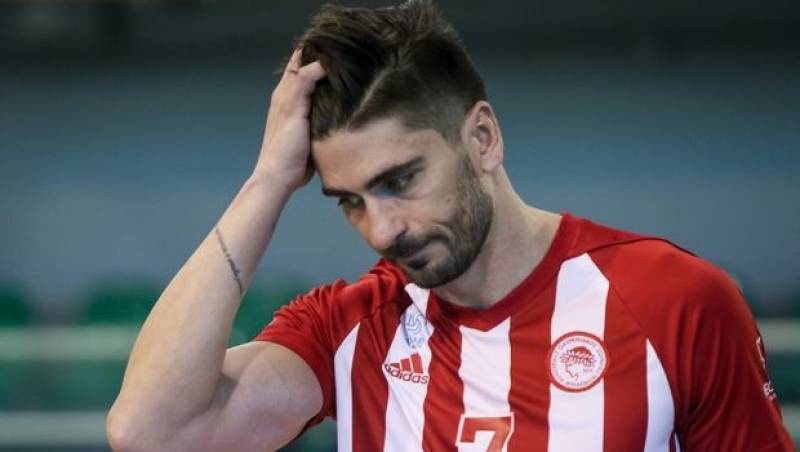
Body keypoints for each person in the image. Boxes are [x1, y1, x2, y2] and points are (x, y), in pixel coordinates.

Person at [106, 1, 795, 451]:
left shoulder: (674, 301)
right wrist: (267, 181)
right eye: (349, 200)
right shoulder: (352, 329)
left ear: (483, 139)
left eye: (399, 181)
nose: (381, 231)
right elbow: (150, 433)